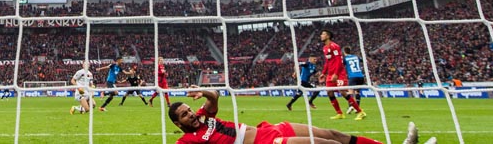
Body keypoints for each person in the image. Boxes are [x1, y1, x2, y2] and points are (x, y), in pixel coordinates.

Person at [169, 88, 432, 144]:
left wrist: (204, 92)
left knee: (335, 135)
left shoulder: (204, 116)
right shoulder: (187, 141)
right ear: (177, 123)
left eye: (188, 110)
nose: (190, 114)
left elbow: (214, 97)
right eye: (184, 115)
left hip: (269, 130)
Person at [320, 31, 363, 120]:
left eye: (323, 34)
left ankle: (360, 112)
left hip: (339, 73)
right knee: (329, 92)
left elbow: (339, 61)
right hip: (330, 74)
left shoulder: (335, 46)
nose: (321, 35)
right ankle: (339, 113)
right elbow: (327, 62)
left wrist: (336, 73)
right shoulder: (324, 48)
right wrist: (323, 73)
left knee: (343, 92)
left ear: (328, 36)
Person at [342, 47, 366, 117]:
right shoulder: (356, 57)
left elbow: (341, 65)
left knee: (350, 92)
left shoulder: (345, 58)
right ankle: (357, 108)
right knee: (357, 92)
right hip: (361, 76)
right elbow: (363, 60)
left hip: (352, 76)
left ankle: (350, 106)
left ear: (344, 52)